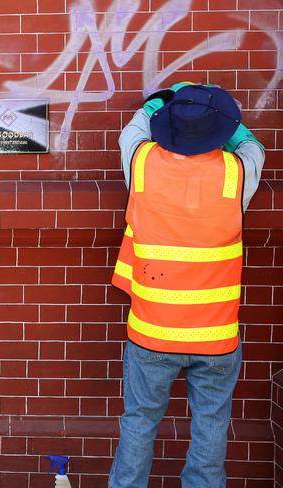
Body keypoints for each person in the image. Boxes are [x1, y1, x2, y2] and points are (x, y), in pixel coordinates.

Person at [108, 83, 266, 487]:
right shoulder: (240, 170)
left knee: (140, 422)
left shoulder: (141, 163)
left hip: (152, 333)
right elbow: (247, 139)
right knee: (211, 425)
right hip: (216, 336)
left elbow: (135, 127)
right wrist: (213, 113)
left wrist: (166, 99)